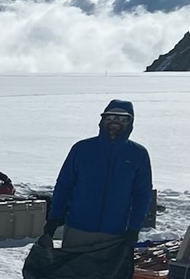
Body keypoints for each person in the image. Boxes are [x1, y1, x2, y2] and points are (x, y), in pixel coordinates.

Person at [43, 99, 152, 251]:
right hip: (78, 229)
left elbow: (142, 194)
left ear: (130, 123)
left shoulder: (138, 154)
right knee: (71, 273)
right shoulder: (82, 149)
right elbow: (64, 185)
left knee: (107, 275)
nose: (115, 122)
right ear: (102, 120)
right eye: (111, 117)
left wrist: (134, 228)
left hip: (115, 233)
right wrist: (54, 217)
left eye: (122, 118)